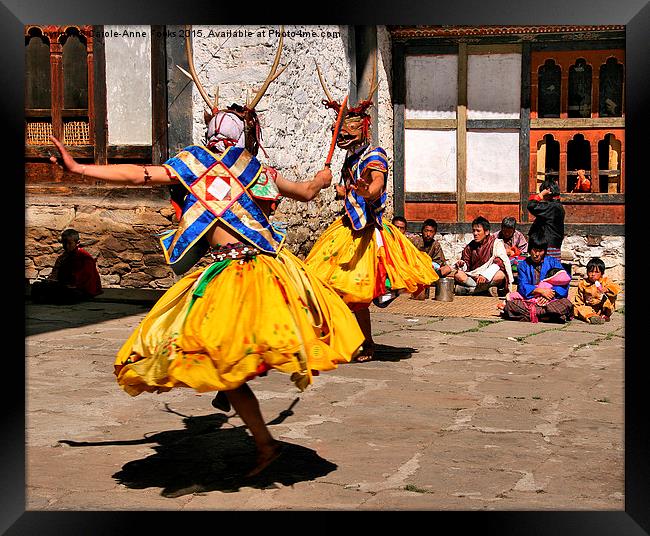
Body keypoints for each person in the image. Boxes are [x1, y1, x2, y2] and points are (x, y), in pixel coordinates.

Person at [48, 32, 364, 478]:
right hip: (258, 271)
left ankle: (262, 437)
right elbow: (309, 192)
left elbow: (138, 174)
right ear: (247, 138)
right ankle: (262, 437)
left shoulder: (191, 164)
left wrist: (81, 169)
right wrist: (324, 175)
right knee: (235, 355)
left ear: (212, 135)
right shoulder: (258, 171)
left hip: (234, 274)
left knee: (223, 356)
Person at [305, 60, 437, 362]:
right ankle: (339, 338)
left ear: (363, 128)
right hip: (346, 228)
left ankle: (364, 342)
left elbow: (376, 182)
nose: (343, 135)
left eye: (350, 129)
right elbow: (351, 188)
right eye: (341, 130)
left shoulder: (375, 154)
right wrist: (344, 190)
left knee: (358, 294)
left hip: (367, 233)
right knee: (326, 285)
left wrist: (368, 190)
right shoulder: (350, 158)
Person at [500, 237, 573, 323]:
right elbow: (522, 286)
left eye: (540, 251)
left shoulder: (553, 262)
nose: (537, 254)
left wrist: (550, 293)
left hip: (551, 300)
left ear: (544, 251)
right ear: (529, 250)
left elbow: (564, 281)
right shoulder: (523, 265)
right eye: (534, 250)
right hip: (530, 301)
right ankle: (547, 316)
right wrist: (540, 291)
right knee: (511, 305)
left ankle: (533, 314)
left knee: (566, 303)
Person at [31, 228, 103, 304]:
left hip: (81, 290)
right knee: (37, 286)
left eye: (69, 243)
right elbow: (55, 275)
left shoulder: (84, 257)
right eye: (64, 243)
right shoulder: (63, 257)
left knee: (67, 293)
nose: (66, 246)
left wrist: (70, 285)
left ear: (77, 243)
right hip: (65, 286)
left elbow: (87, 277)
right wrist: (50, 281)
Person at [453, 216, 513, 296]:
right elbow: (467, 264)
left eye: (478, 231)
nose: (475, 234)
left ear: (487, 232)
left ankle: (470, 290)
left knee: (500, 275)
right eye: (474, 231)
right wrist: (462, 264)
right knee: (458, 275)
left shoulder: (496, 243)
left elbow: (499, 262)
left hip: (489, 277)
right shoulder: (470, 246)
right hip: (474, 277)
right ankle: (485, 290)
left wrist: (485, 275)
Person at [573, 257, 621, 324]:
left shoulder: (605, 281)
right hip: (589, 308)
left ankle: (605, 315)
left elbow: (616, 288)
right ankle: (592, 317)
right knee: (578, 308)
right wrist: (580, 307)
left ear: (602, 273)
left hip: (602, 308)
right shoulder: (583, 284)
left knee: (610, 298)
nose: (593, 274)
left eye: (596, 272)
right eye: (590, 271)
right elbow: (579, 300)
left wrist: (606, 289)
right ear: (587, 272)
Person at [527, 179, 565, 260]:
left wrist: (540, 194)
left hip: (548, 246)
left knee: (547, 270)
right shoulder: (556, 206)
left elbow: (531, 206)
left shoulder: (553, 207)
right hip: (551, 245)